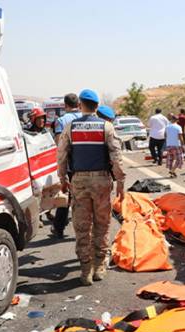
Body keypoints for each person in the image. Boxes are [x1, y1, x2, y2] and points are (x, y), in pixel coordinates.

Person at [57, 89, 125, 286]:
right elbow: (116, 157)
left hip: (79, 181)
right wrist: (120, 182)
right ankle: (99, 266)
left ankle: (85, 269)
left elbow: (61, 155)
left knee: (81, 225)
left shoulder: (70, 127)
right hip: (102, 180)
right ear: (97, 106)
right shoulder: (107, 127)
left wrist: (62, 179)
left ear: (81, 105)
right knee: (102, 224)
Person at [50, 93, 82, 238]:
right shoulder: (85, 118)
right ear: (78, 104)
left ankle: (59, 228)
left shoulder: (61, 121)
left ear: (65, 105)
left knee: (66, 198)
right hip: (86, 166)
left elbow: (59, 144)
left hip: (69, 166)